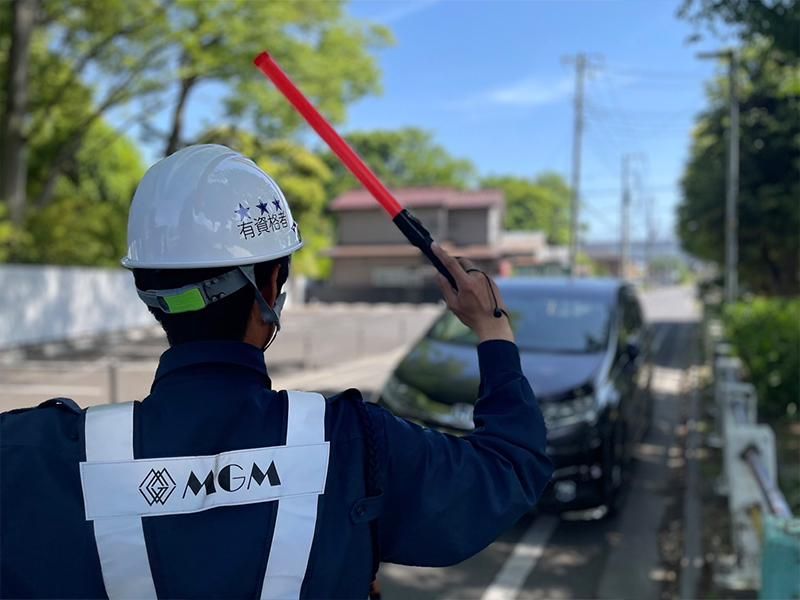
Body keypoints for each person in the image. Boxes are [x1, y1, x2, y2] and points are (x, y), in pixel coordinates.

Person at [0, 144, 552, 599]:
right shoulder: (355, 444)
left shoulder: (29, 455)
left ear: (149, 293)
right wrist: (492, 329)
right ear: (270, 285)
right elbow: (510, 466)